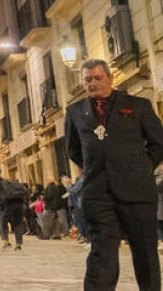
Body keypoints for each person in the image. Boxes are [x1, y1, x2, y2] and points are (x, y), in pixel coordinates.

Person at [66, 58, 163, 290]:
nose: (93, 83)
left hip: (138, 193)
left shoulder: (138, 106)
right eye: (88, 79)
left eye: (98, 78)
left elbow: (159, 143)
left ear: (110, 78)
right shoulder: (75, 112)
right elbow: (74, 150)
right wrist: (97, 168)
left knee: (145, 252)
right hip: (97, 194)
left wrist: (139, 168)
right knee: (102, 253)